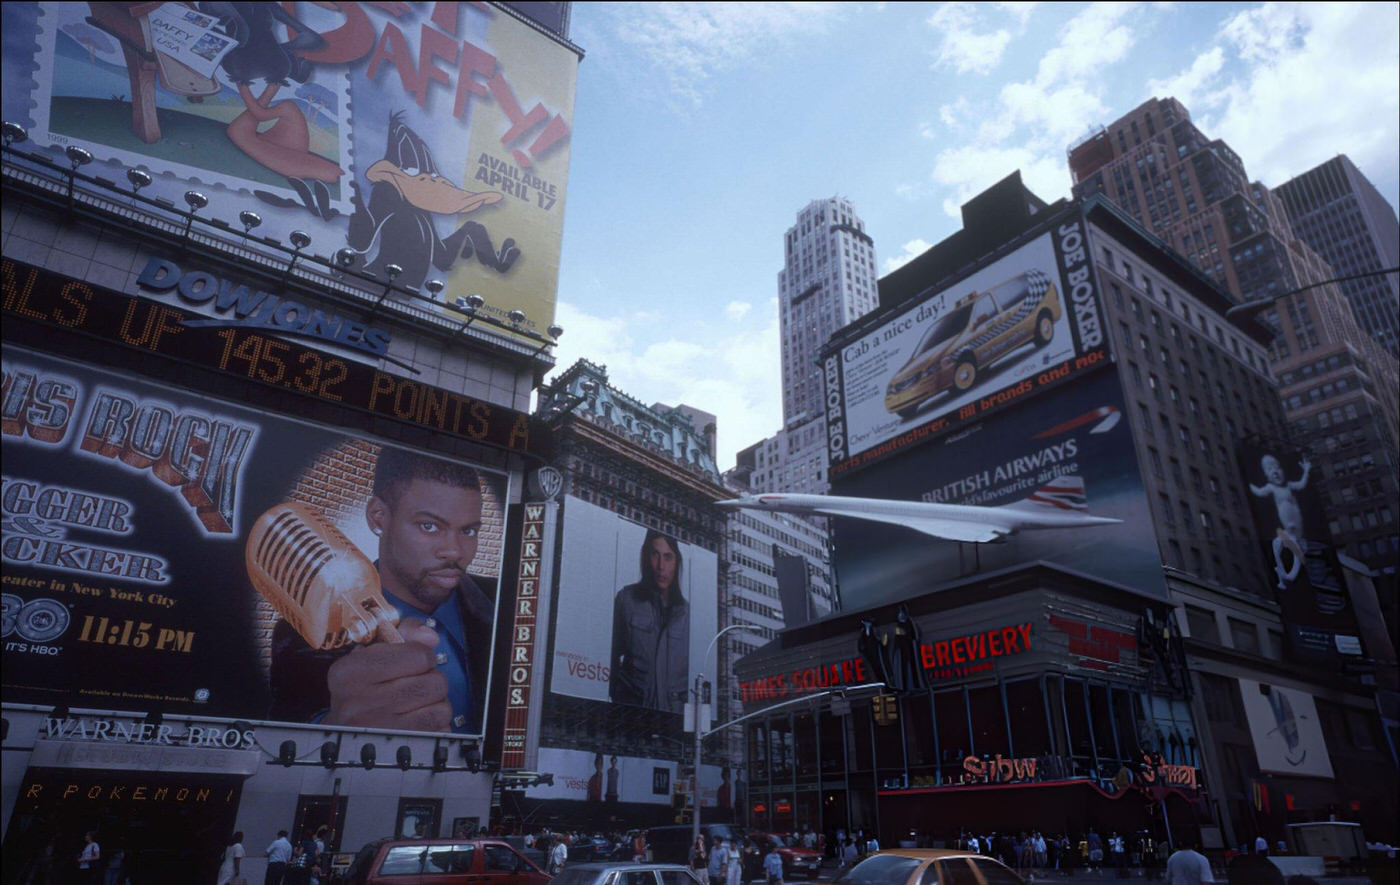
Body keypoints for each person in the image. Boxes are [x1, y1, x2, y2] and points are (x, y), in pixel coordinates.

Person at [269, 448, 495, 734]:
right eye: (429, 526)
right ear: (378, 517)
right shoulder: (305, 632)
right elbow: (282, 734)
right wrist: (333, 729)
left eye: (468, 531)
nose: (454, 551)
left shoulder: (510, 604)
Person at [609, 531, 689, 712]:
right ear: (646, 558)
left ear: (677, 563)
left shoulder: (688, 614)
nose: (661, 566)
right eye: (655, 555)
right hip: (631, 713)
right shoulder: (626, 599)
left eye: (668, 557)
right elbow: (610, 656)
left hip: (674, 719)